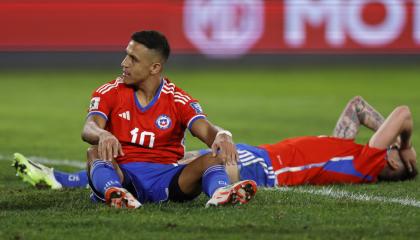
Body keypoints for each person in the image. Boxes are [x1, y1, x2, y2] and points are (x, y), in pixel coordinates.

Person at [31, 30, 258, 209]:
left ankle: (221, 194)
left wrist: (223, 135)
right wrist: (103, 134)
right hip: (123, 175)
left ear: (154, 67)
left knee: (213, 158)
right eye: (126, 55)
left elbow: (208, 132)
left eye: (133, 59)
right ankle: (115, 193)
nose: (124, 63)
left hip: (169, 178)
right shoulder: (110, 91)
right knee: (94, 152)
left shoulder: (177, 99)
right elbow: (89, 127)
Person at [13, 96, 417, 191]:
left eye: (395, 154)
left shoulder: (365, 161)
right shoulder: (346, 147)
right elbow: (358, 106)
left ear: (393, 162)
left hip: (266, 168)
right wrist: (404, 148)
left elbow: (401, 113)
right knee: (174, 157)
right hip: (261, 154)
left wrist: (406, 142)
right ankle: (72, 178)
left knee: (177, 163)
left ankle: (65, 180)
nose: (391, 148)